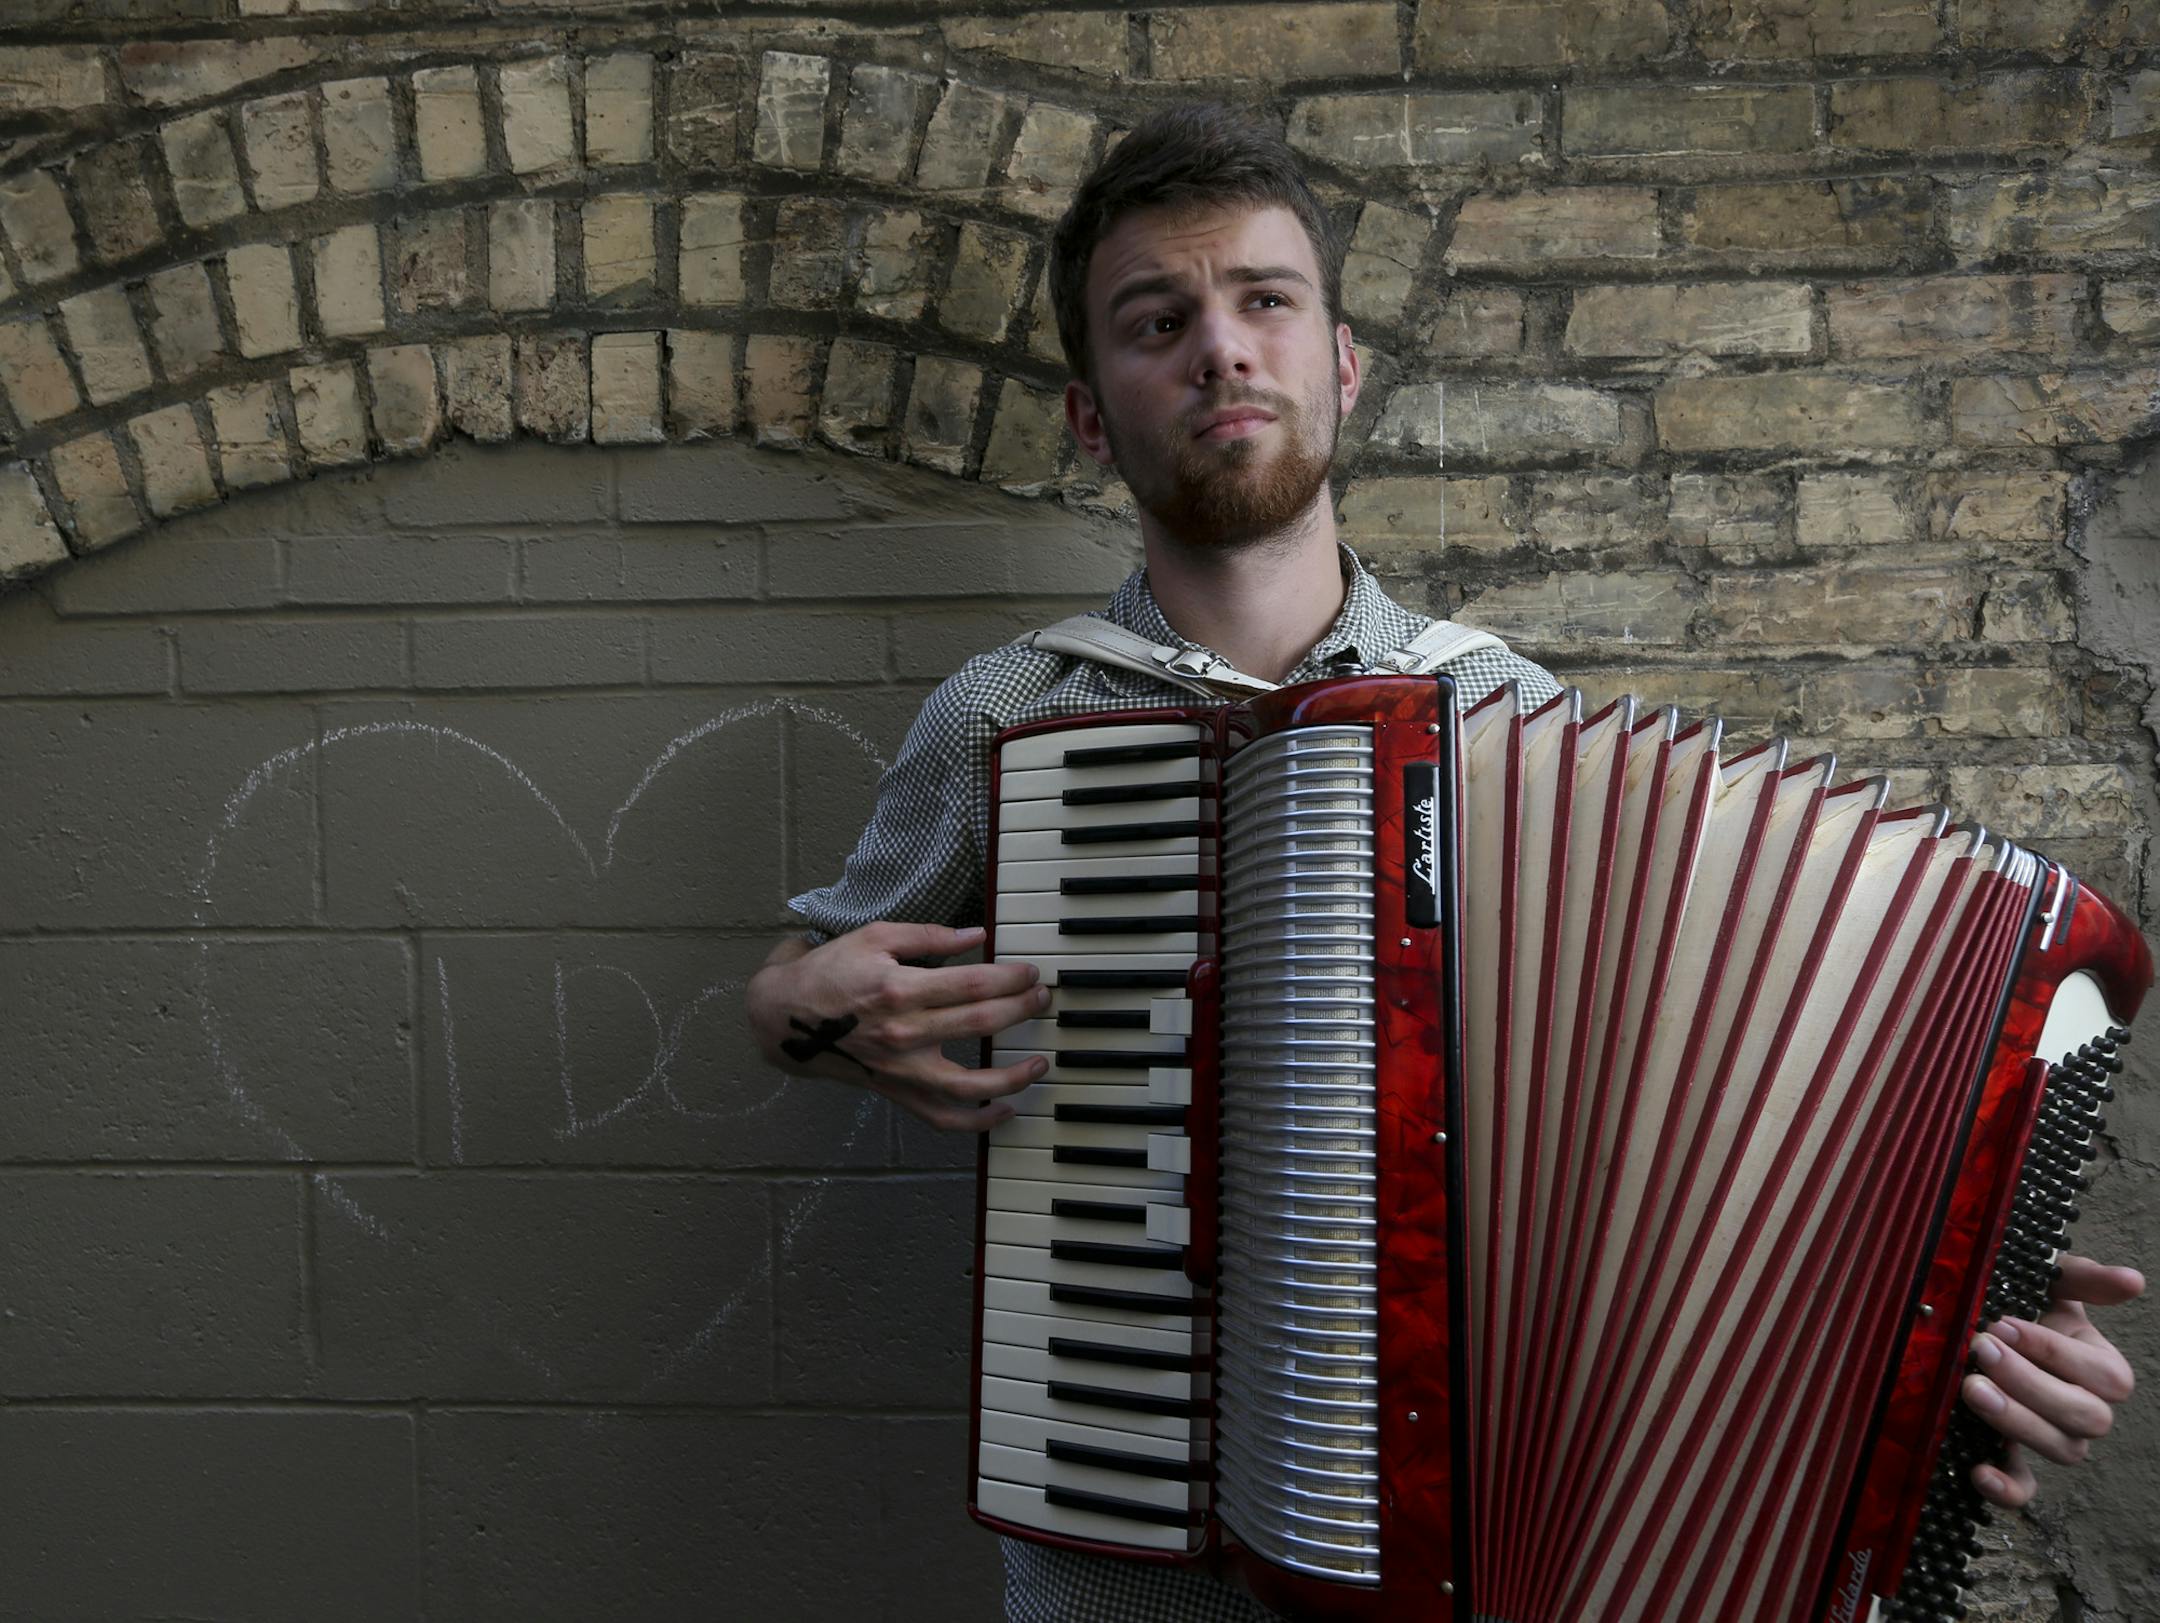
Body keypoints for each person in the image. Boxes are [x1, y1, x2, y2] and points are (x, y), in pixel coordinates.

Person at [745, 103, 2140, 1622]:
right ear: (1092, 417)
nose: (1220, 349)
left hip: (1467, 1553)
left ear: (1339, 364)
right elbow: (792, 992)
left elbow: (1661, 1136)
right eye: (1159, 322)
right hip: (1126, 1565)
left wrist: (1942, 1335)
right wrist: (817, 1007)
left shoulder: (1507, 720)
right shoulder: (1011, 716)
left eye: (1264, 302)